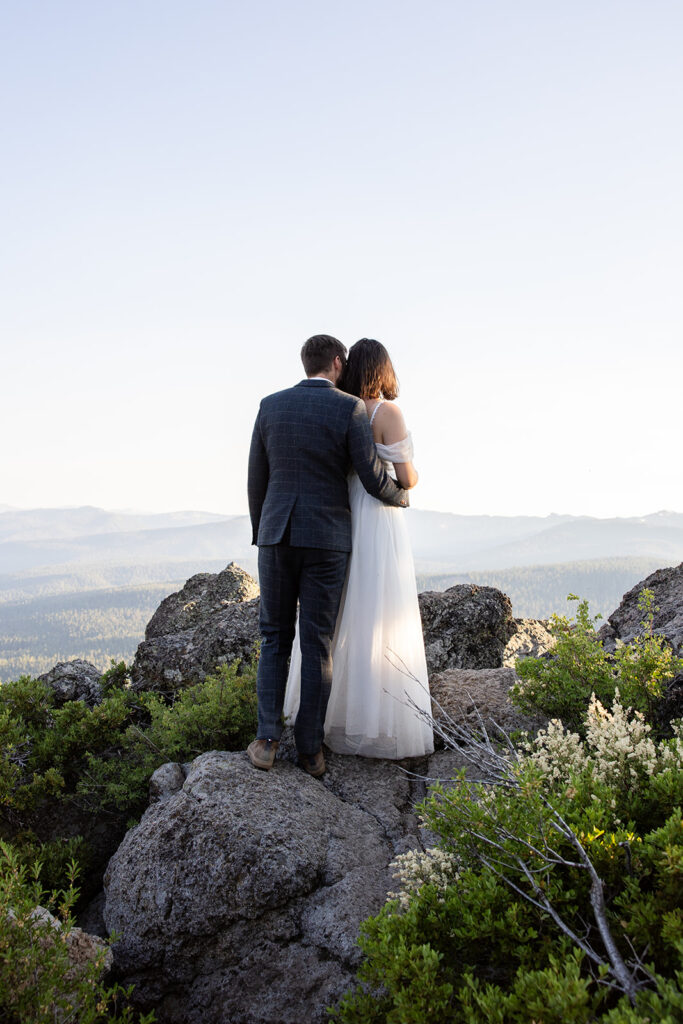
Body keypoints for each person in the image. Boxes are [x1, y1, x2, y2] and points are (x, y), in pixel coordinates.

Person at [246, 334, 410, 777]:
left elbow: (256, 482)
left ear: (306, 364)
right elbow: (373, 477)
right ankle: (310, 751)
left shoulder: (269, 405)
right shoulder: (350, 408)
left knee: (274, 638)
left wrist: (263, 532)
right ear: (338, 363)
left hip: (275, 536)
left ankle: (265, 741)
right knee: (317, 643)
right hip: (327, 541)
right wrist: (401, 496)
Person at [284, 338, 434, 759]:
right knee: (379, 608)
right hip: (378, 513)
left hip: (341, 510)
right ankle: (378, 718)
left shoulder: (341, 407)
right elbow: (405, 478)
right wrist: (416, 475)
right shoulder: (387, 413)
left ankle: (330, 716)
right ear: (385, 370)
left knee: (341, 612)